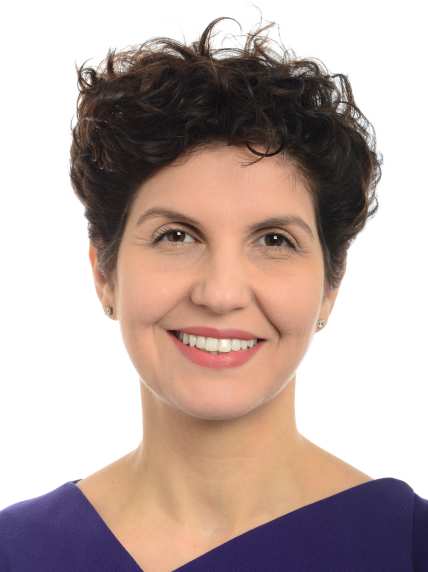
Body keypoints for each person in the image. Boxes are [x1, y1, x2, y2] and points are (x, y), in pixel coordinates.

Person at [0, 15, 427, 572]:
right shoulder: (17, 551)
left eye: (274, 240)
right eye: (176, 236)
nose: (221, 293)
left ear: (331, 285)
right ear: (104, 274)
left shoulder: (408, 547)